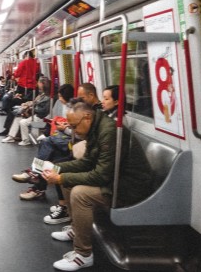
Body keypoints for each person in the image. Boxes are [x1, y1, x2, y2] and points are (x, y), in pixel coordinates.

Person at [41, 102, 152, 271]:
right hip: (116, 179)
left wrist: (61, 177)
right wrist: (57, 169)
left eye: (74, 126)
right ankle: (76, 230)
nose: (73, 130)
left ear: (87, 117)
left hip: (129, 186)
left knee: (79, 193)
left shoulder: (108, 132)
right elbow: (87, 162)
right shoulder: (96, 128)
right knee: (67, 182)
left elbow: (101, 175)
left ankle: (83, 255)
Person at [1, 77, 51, 146]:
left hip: (41, 122)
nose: (38, 84)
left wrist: (30, 108)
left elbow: (43, 111)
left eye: (39, 82)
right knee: (18, 117)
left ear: (42, 84)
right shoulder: (42, 94)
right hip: (36, 117)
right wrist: (28, 104)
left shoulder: (47, 97)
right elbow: (35, 103)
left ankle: (26, 140)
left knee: (23, 122)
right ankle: (11, 136)